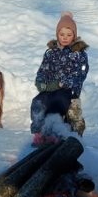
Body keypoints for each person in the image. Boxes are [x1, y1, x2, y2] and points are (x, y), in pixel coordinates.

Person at [30, 11, 89, 146]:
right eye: (62, 34)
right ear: (57, 35)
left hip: (68, 92)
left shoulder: (78, 54)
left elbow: (81, 74)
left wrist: (63, 83)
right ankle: (39, 132)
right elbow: (43, 70)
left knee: (62, 104)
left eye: (69, 35)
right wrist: (40, 81)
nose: (65, 37)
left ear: (74, 35)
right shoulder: (51, 53)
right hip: (50, 90)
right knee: (38, 102)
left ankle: (63, 135)